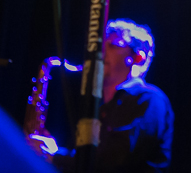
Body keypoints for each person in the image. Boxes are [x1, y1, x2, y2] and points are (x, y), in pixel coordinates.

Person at [28, 19, 174, 172]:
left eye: (113, 45)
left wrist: (56, 156)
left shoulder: (150, 100)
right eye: (100, 46)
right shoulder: (100, 109)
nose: (100, 53)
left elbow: (117, 158)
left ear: (138, 58)